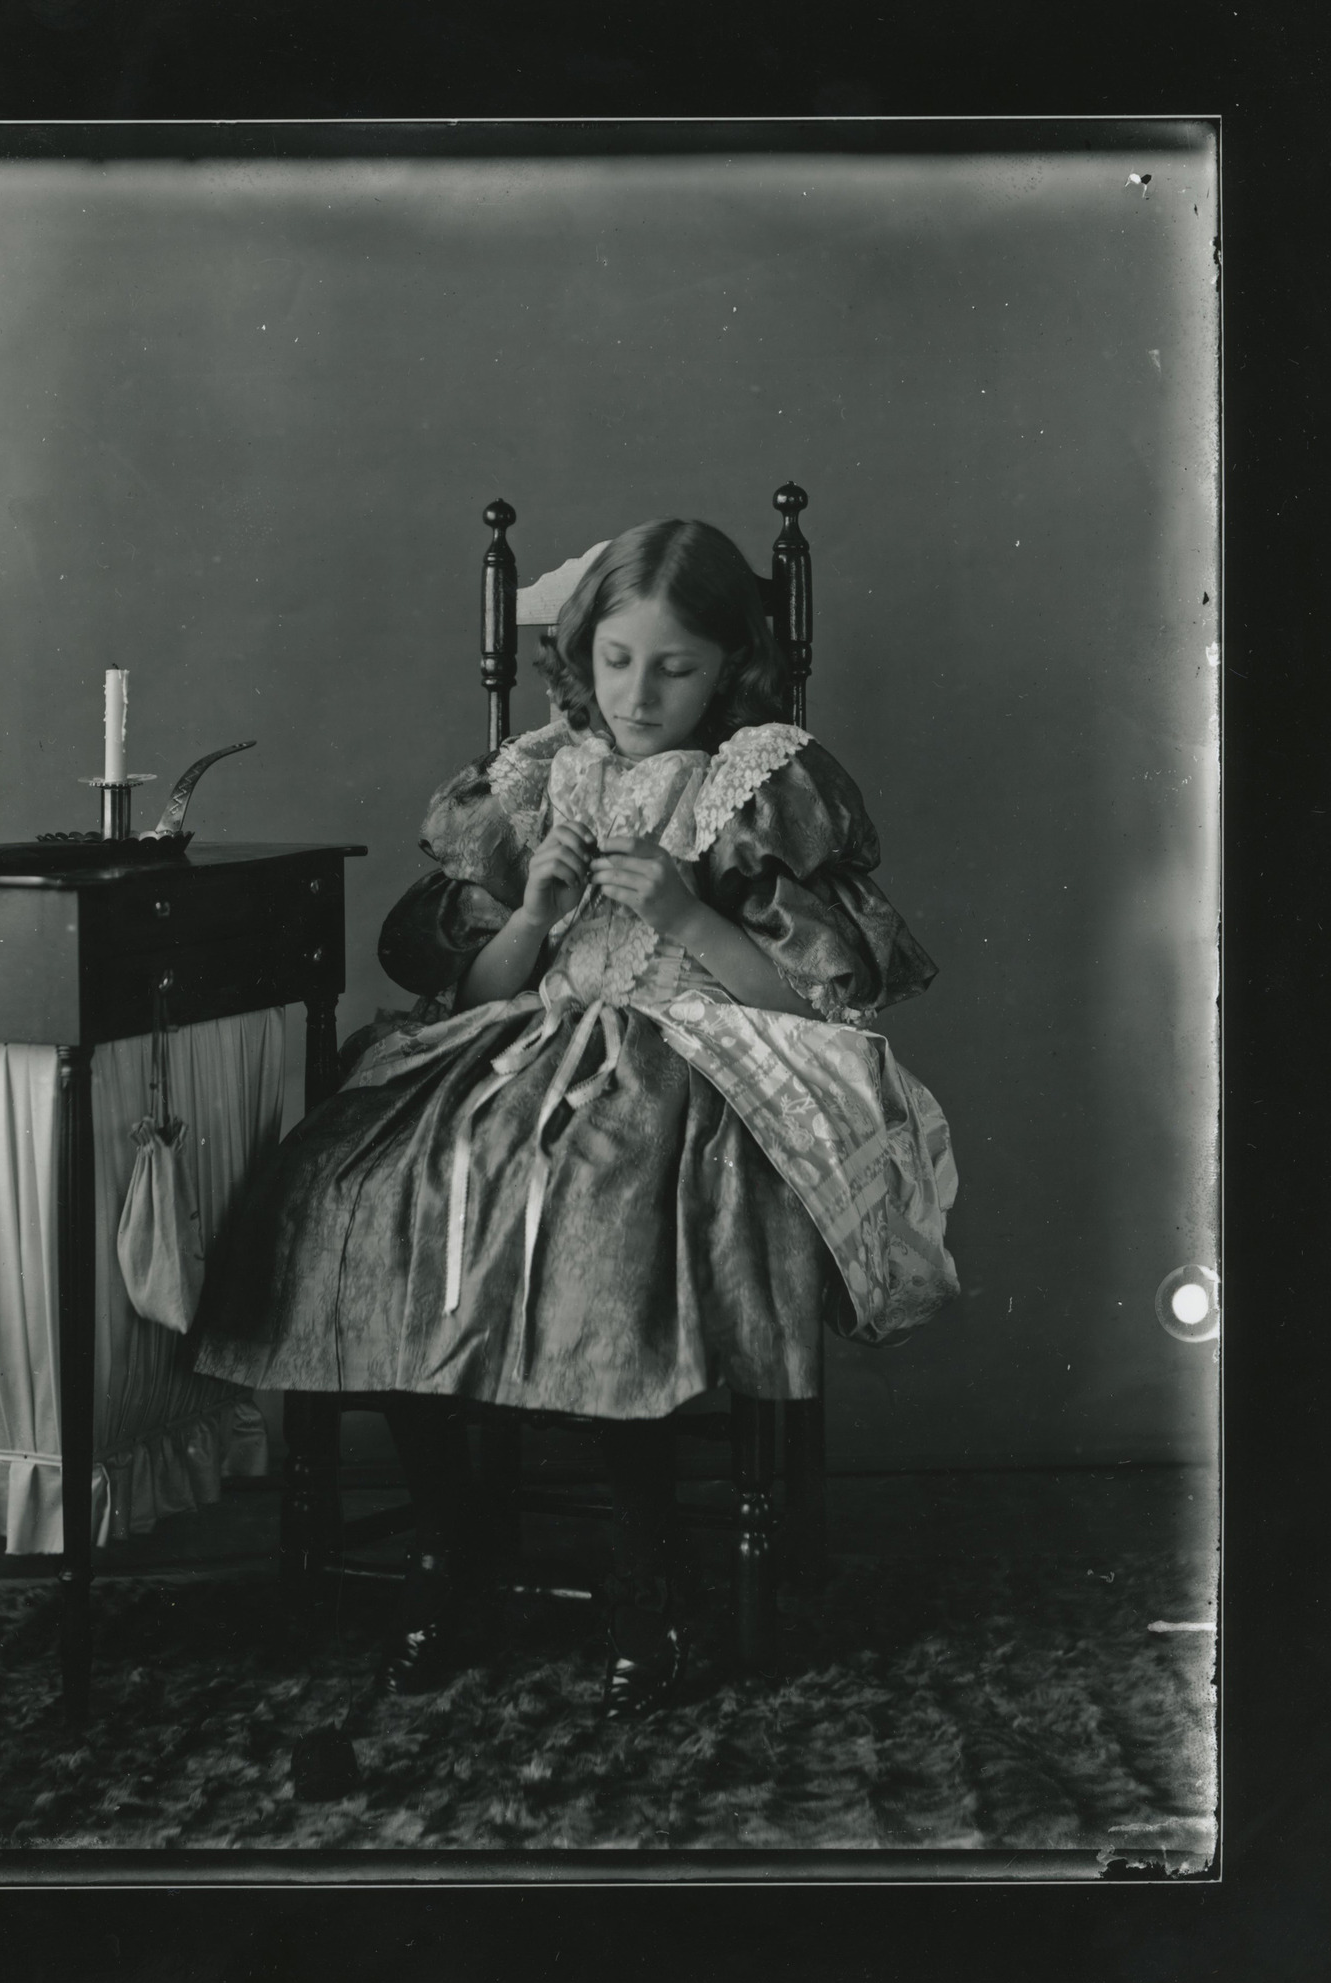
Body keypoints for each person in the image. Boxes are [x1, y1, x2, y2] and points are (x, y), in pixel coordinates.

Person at [190, 518, 959, 1719]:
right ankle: (452, 1544)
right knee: (369, 1189)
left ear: (728, 669)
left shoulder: (751, 779)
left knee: (597, 1216)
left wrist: (688, 918)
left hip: (688, 1050)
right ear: (576, 655)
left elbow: (818, 1000)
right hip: (525, 1039)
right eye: (613, 660)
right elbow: (480, 991)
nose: (639, 693)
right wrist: (533, 912)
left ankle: (648, 1573)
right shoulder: (535, 774)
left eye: (674, 666)